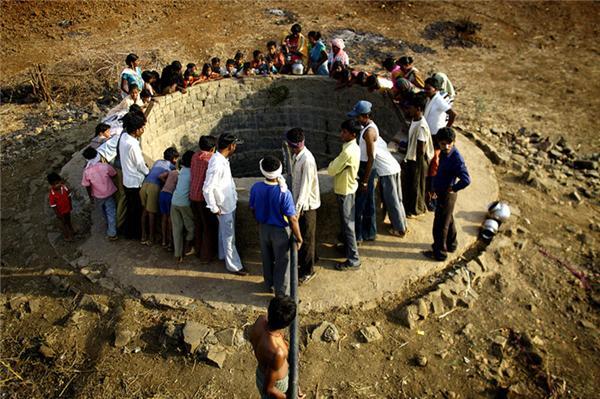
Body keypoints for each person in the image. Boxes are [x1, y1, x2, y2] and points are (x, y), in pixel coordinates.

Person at [250, 156, 303, 296]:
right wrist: (299, 237)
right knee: (282, 262)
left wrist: (258, 223)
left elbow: (253, 208)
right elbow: (292, 218)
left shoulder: (256, 188)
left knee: (266, 257)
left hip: (263, 227)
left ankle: (269, 283)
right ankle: (281, 292)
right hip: (280, 230)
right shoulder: (284, 193)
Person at [203, 133, 248, 276]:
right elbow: (207, 188)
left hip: (228, 203)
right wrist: (214, 207)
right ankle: (234, 266)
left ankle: (223, 256)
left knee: (224, 232)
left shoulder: (222, 159)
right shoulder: (217, 163)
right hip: (223, 207)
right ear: (231, 146)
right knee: (229, 237)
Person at [424, 127, 470, 261]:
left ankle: (439, 253)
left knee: (439, 226)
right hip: (442, 191)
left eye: (449, 143)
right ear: (439, 142)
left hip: (448, 194)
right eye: (443, 143)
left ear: (454, 142)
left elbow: (466, 180)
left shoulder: (456, 158)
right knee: (448, 220)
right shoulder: (444, 153)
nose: (447, 146)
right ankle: (451, 244)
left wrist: (454, 188)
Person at [249, 296, 306, 399]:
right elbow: (269, 389)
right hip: (277, 388)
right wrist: (290, 397)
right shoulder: (278, 352)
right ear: (287, 325)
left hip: (261, 373)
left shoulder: (260, 321)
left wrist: (294, 384)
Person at [286, 128, 320, 284]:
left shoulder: (307, 160)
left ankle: (307, 271)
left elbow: (305, 190)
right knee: (306, 237)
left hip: (306, 207)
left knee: (306, 238)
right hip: (300, 204)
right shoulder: (297, 156)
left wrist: (297, 210)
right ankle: (308, 261)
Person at [327, 120, 361, 271]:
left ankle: (354, 259)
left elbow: (331, 170)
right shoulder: (353, 147)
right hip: (348, 188)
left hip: (345, 190)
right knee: (347, 224)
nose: (342, 134)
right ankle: (347, 249)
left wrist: (333, 163)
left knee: (348, 226)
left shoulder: (347, 152)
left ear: (352, 134)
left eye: (345, 132)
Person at [347, 101, 377, 243]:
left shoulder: (369, 132)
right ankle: (369, 232)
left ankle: (358, 235)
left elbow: (371, 157)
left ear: (365, 116)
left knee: (360, 204)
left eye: (358, 116)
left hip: (367, 168)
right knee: (368, 202)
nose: (356, 119)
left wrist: (365, 180)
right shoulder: (367, 128)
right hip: (365, 167)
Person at [118, 110, 149, 239]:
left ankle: (128, 232)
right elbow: (140, 164)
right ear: (136, 130)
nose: (143, 129)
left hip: (127, 180)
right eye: (141, 127)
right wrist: (148, 172)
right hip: (135, 182)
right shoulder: (132, 145)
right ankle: (135, 234)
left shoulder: (124, 137)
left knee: (131, 209)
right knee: (137, 210)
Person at [402, 93, 434, 217]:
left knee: (416, 185)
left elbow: (420, 148)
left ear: (419, 109)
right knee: (414, 184)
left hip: (418, 159)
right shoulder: (415, 120)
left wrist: (412, 162)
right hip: (414, 157)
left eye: (411, 107)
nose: (409, 110)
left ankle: (415, 210)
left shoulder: (421, 126)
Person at [140, 147, 178, 245]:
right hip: (154, 186)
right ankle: (152, 239)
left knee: (145, 211)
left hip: (144, 184)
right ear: (173, 158)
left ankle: (143, 235)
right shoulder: (172, 167)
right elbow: (163, 178)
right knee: (152, 213)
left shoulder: (157, 162)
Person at [190, 135, 218, 263]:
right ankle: (206, 256)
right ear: (213, 148)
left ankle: (198, 250)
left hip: (193, 195)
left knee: (198, 224)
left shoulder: (195, 156)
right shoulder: (211, 159)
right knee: (208, 226)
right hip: (203, 197)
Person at [81, 147, 118, 240]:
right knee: (111, 211)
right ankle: (112, 232)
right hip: (109, 192)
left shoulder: (87, 171)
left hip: (97, 195)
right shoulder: (104, 166)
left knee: (103, 210)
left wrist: (90, 197)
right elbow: (113, 174)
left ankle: (109, 225)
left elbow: (87, 185)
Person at [170, 151, 195, 262]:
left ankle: (177, 254)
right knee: (191, 227)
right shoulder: (192, 172)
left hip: (174, 201)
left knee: (177, 229)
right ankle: (187, 247)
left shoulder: (182, 170)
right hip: (185, 203)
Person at [47, 172, 75, 241]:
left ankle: (72, 230)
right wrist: (58, 214)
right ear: (51, 185)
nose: (57, 185)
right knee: (63, 223)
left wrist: (70, 206)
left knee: (68, 220)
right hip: (60, 212)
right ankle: (67, 236)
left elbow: (69, 197)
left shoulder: (64, 188)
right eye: (54, 184)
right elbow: (54, 206)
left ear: (60, 181)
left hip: (67, 209)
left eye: (58, 183)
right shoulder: (52, 194)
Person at [159, 162, 179, 250]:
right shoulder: (180, 174)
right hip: (170, 195)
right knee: (170, 219)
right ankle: (170, 243)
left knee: (164, 217)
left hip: (162, 193)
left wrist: (166, 183)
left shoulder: (171, 172)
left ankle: (164, 240)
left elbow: (160, 176)